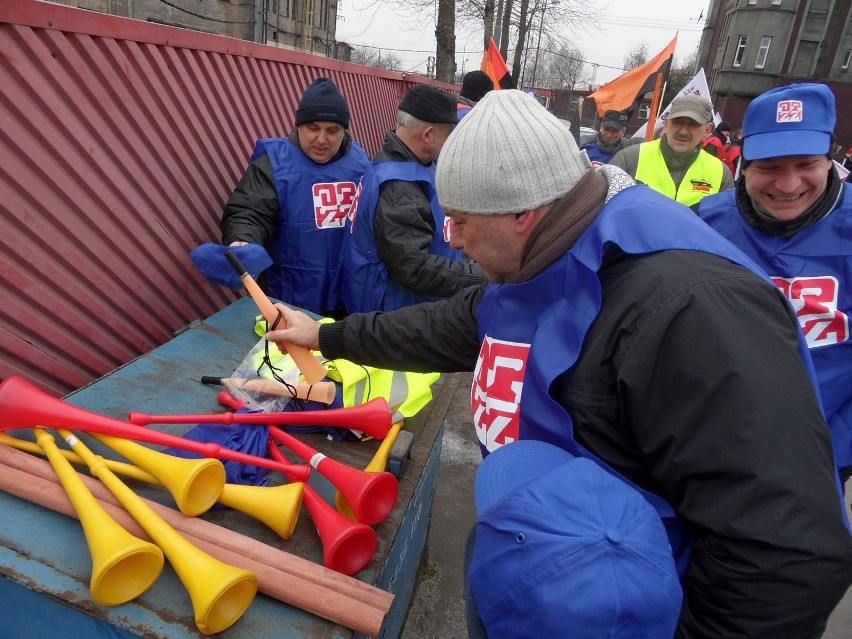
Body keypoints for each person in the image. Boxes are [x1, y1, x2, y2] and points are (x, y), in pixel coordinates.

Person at [267, 89, 852, 638]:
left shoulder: (691, 307)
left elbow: (783, 551)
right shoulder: (545, 249)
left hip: (617, 606)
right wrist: (326, 335)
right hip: (533, 555)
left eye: (461, 221)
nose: (454, 239)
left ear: (521, 212)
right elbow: (456, 324)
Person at [698, 82, 851, 482]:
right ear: (743, 165)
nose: (787, 185)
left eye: (806, 164)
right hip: (714, 443)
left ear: (830, 159)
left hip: (821, 455)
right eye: (769, 167)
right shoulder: (701, 224)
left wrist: (830, 449)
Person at [220, 76, 369, 318]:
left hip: (349, 300)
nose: (322, 139)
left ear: (344, 131)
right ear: (298, 125)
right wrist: (243, 241)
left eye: (332, 130)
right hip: (288, 298)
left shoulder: (362, 164)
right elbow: (250, 212)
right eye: (313, 128)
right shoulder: (274, 161)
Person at [342, 84, 485, 313]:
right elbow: (415, 267)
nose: (452, 143)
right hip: (397, 317)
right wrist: (483, 278)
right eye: (449, 134)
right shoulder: (400, 187)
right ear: (427, 135)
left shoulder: (399, 163)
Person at [610, 94, 735, 209]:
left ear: (707, 130)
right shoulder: (629, 159)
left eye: (693, 124)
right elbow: (606, 215)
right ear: (666, 124)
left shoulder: (720, 172)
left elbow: (723, 226)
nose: (683, 132)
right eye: (678, 122)